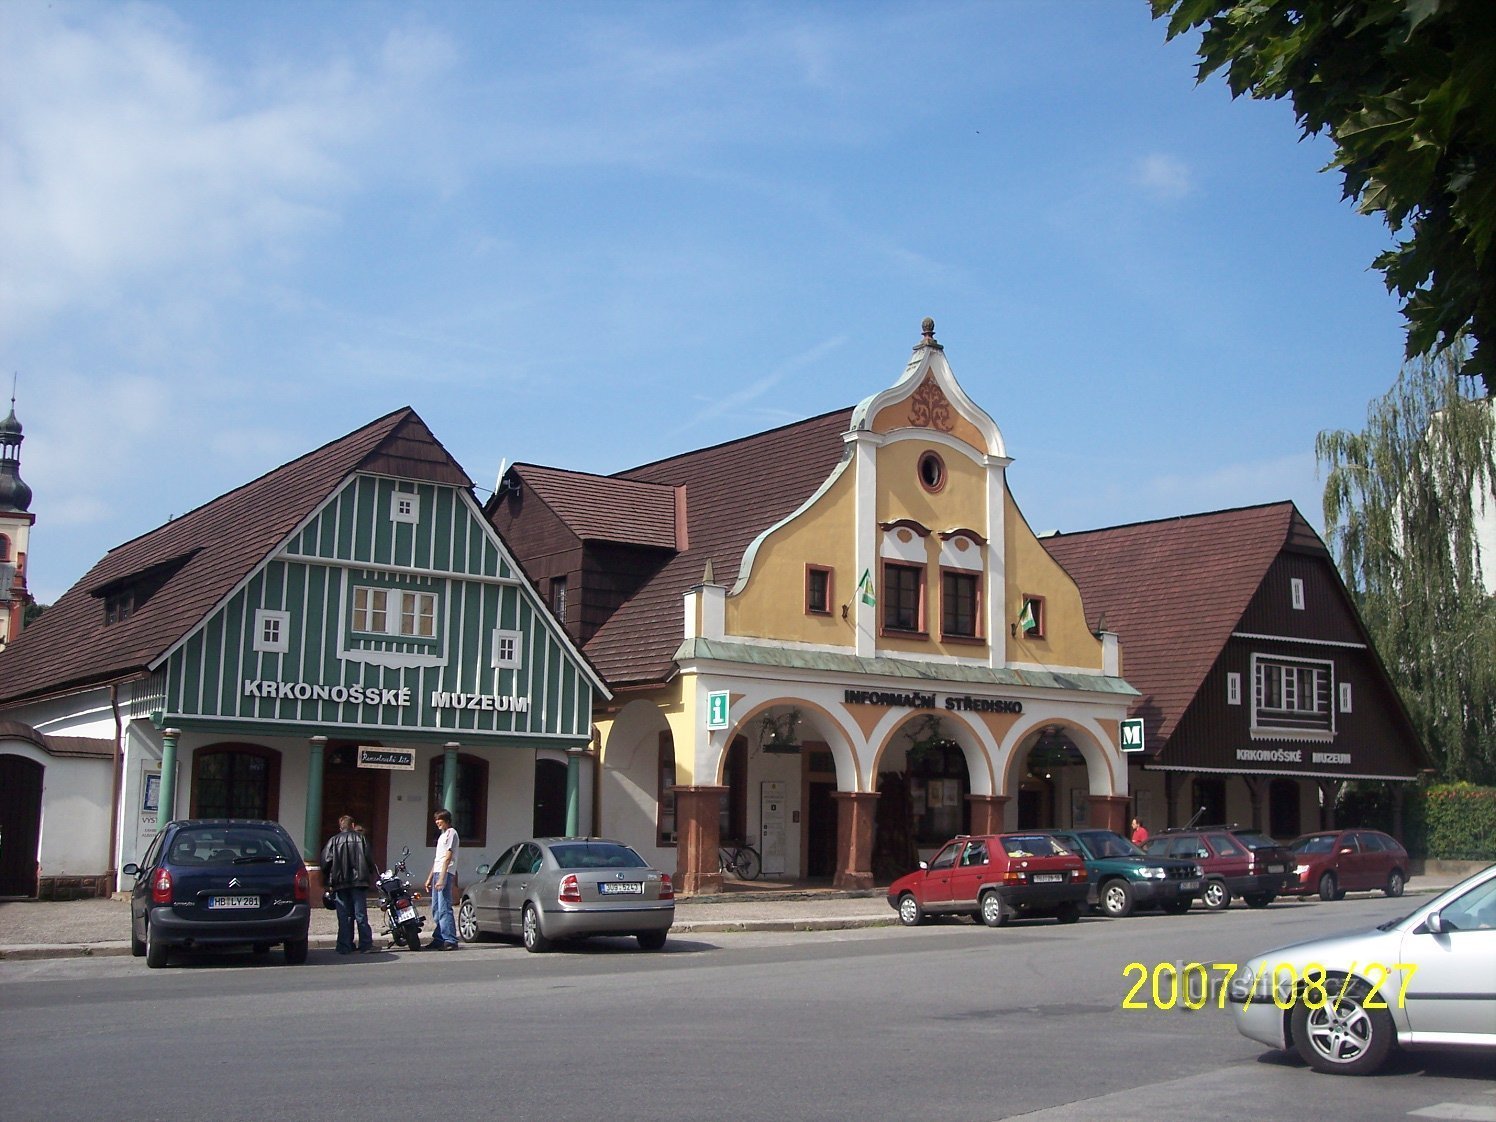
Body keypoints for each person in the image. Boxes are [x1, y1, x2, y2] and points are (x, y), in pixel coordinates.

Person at [321, 814, 376, 955]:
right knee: (361, 915)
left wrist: (328, 878)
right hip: (359, 882)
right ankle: (366, 945)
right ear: (352, 825)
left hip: (340, 883)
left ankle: (344, 946)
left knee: (344, 916)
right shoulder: (361, 838)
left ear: (340, 827)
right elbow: (369, 858)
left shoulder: (333, 841)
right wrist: (369, 872)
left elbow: (325, 861)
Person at [426, 808, 459, 950]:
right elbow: (437, 859)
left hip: (445, 873)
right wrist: (430, 877)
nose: (437, 822)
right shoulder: (442, 836)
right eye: (436, 820)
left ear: (446, 820)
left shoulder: (451, 834)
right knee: (436, 908)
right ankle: (439, 937)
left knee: (444, 906)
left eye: (440, 819)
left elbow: (447, 857)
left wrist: (442, 878)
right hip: (438, 872)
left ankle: (450, 939)